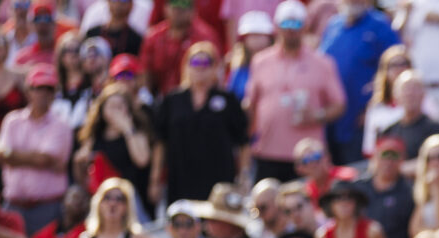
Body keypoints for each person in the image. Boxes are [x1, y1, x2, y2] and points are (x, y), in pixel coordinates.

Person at [244, 0, 345, 183]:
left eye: (296, 23)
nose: (290, 29)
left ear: (305, 26)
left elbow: (339, 104)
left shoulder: (322, 63)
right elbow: (251, 105)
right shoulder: (260, 61)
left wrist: (317, 115)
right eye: (286, 23)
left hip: (308, 158)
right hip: (268, 152)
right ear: (276, 26)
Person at [151, 41, 249, 205]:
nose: (200, 67)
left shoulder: (227, 100)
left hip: (219, 179)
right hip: (181, 178)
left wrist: (244, 176)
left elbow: (243, 142)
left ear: (215, 67)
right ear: (186, 66)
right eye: (195, 62)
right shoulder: (172, 100)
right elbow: (160, 143)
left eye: (206, 62)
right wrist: (155, 179)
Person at [0, 65, 72, 237]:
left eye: (48, 89)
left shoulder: (61, 125)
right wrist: (31, 157)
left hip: (47, 207)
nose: (43, 93)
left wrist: (11, 155)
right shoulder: (12, 120)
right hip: (13, 206)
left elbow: (44, 159)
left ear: (54, 93)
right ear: (28, 91)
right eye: (38, 88)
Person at [317, 0, 399, 166]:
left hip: (360, 121)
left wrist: (372, 107)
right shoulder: (333, 25)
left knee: (356, 176)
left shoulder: (380, 25)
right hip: (331, 122)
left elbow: (395, 66)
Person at [74, 84, 154, 216]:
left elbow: (142, 160)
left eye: (120, 106)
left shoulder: (136, 132)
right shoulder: (94, 136)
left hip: (129, 200)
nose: (116, 110)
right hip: (102, 200)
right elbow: (81, 165)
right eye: (112, 106)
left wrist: (127, 129)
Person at [140, 0, 219, 96]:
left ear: (193, 10)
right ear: (165, 8)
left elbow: (216, 73)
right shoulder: (153, 37)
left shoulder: (206, 36)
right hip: (160, 98)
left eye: (184, 7)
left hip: (196, 98)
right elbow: (145, 73)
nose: (178, 11)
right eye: (175, 7)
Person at [360, 138, 416, 238]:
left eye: (394, 156)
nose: (388, 162)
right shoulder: (359, 188)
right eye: (384, 155)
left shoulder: (409, 191)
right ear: (374, 157)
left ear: (402, 160)